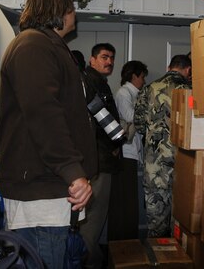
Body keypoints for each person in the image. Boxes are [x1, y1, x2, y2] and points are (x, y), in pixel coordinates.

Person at [0, 0, 96, 268]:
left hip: (51, 192)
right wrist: (73, 172)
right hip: (41, 198)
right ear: (59, 8)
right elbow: (45, 116)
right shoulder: (34, 46)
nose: (74, 13)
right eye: (71, 6)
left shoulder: (47, 46)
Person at [134, 54, 192, 237]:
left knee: (156, 217)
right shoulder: (189, 89)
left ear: (169, 67)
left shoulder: (149, 88)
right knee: (181, 217)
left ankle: (157, 250)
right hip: (183, 161)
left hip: (155, 163)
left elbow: (139, 124)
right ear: (188, 70)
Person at [80, 43, 123, 269]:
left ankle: (89, 258)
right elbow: (99, 123)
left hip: (100, 158)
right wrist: (114, 143)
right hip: (99, 160)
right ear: (92, 59)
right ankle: (88, 261)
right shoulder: (91, 82)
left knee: (95, 216)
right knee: (93, 217)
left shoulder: (97, 81)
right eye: (104, 57)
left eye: (112, 58)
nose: (109, 62)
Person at [111, 60, 149, 240]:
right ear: (134, 76)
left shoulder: (134, 94)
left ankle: (128, 238)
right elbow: (130, 116)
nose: (144, 81)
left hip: (132, 152)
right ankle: (124, 240)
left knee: (130, 198)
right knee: (126, 199)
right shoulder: (124, 93)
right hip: (125, 152)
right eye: (142, 77)